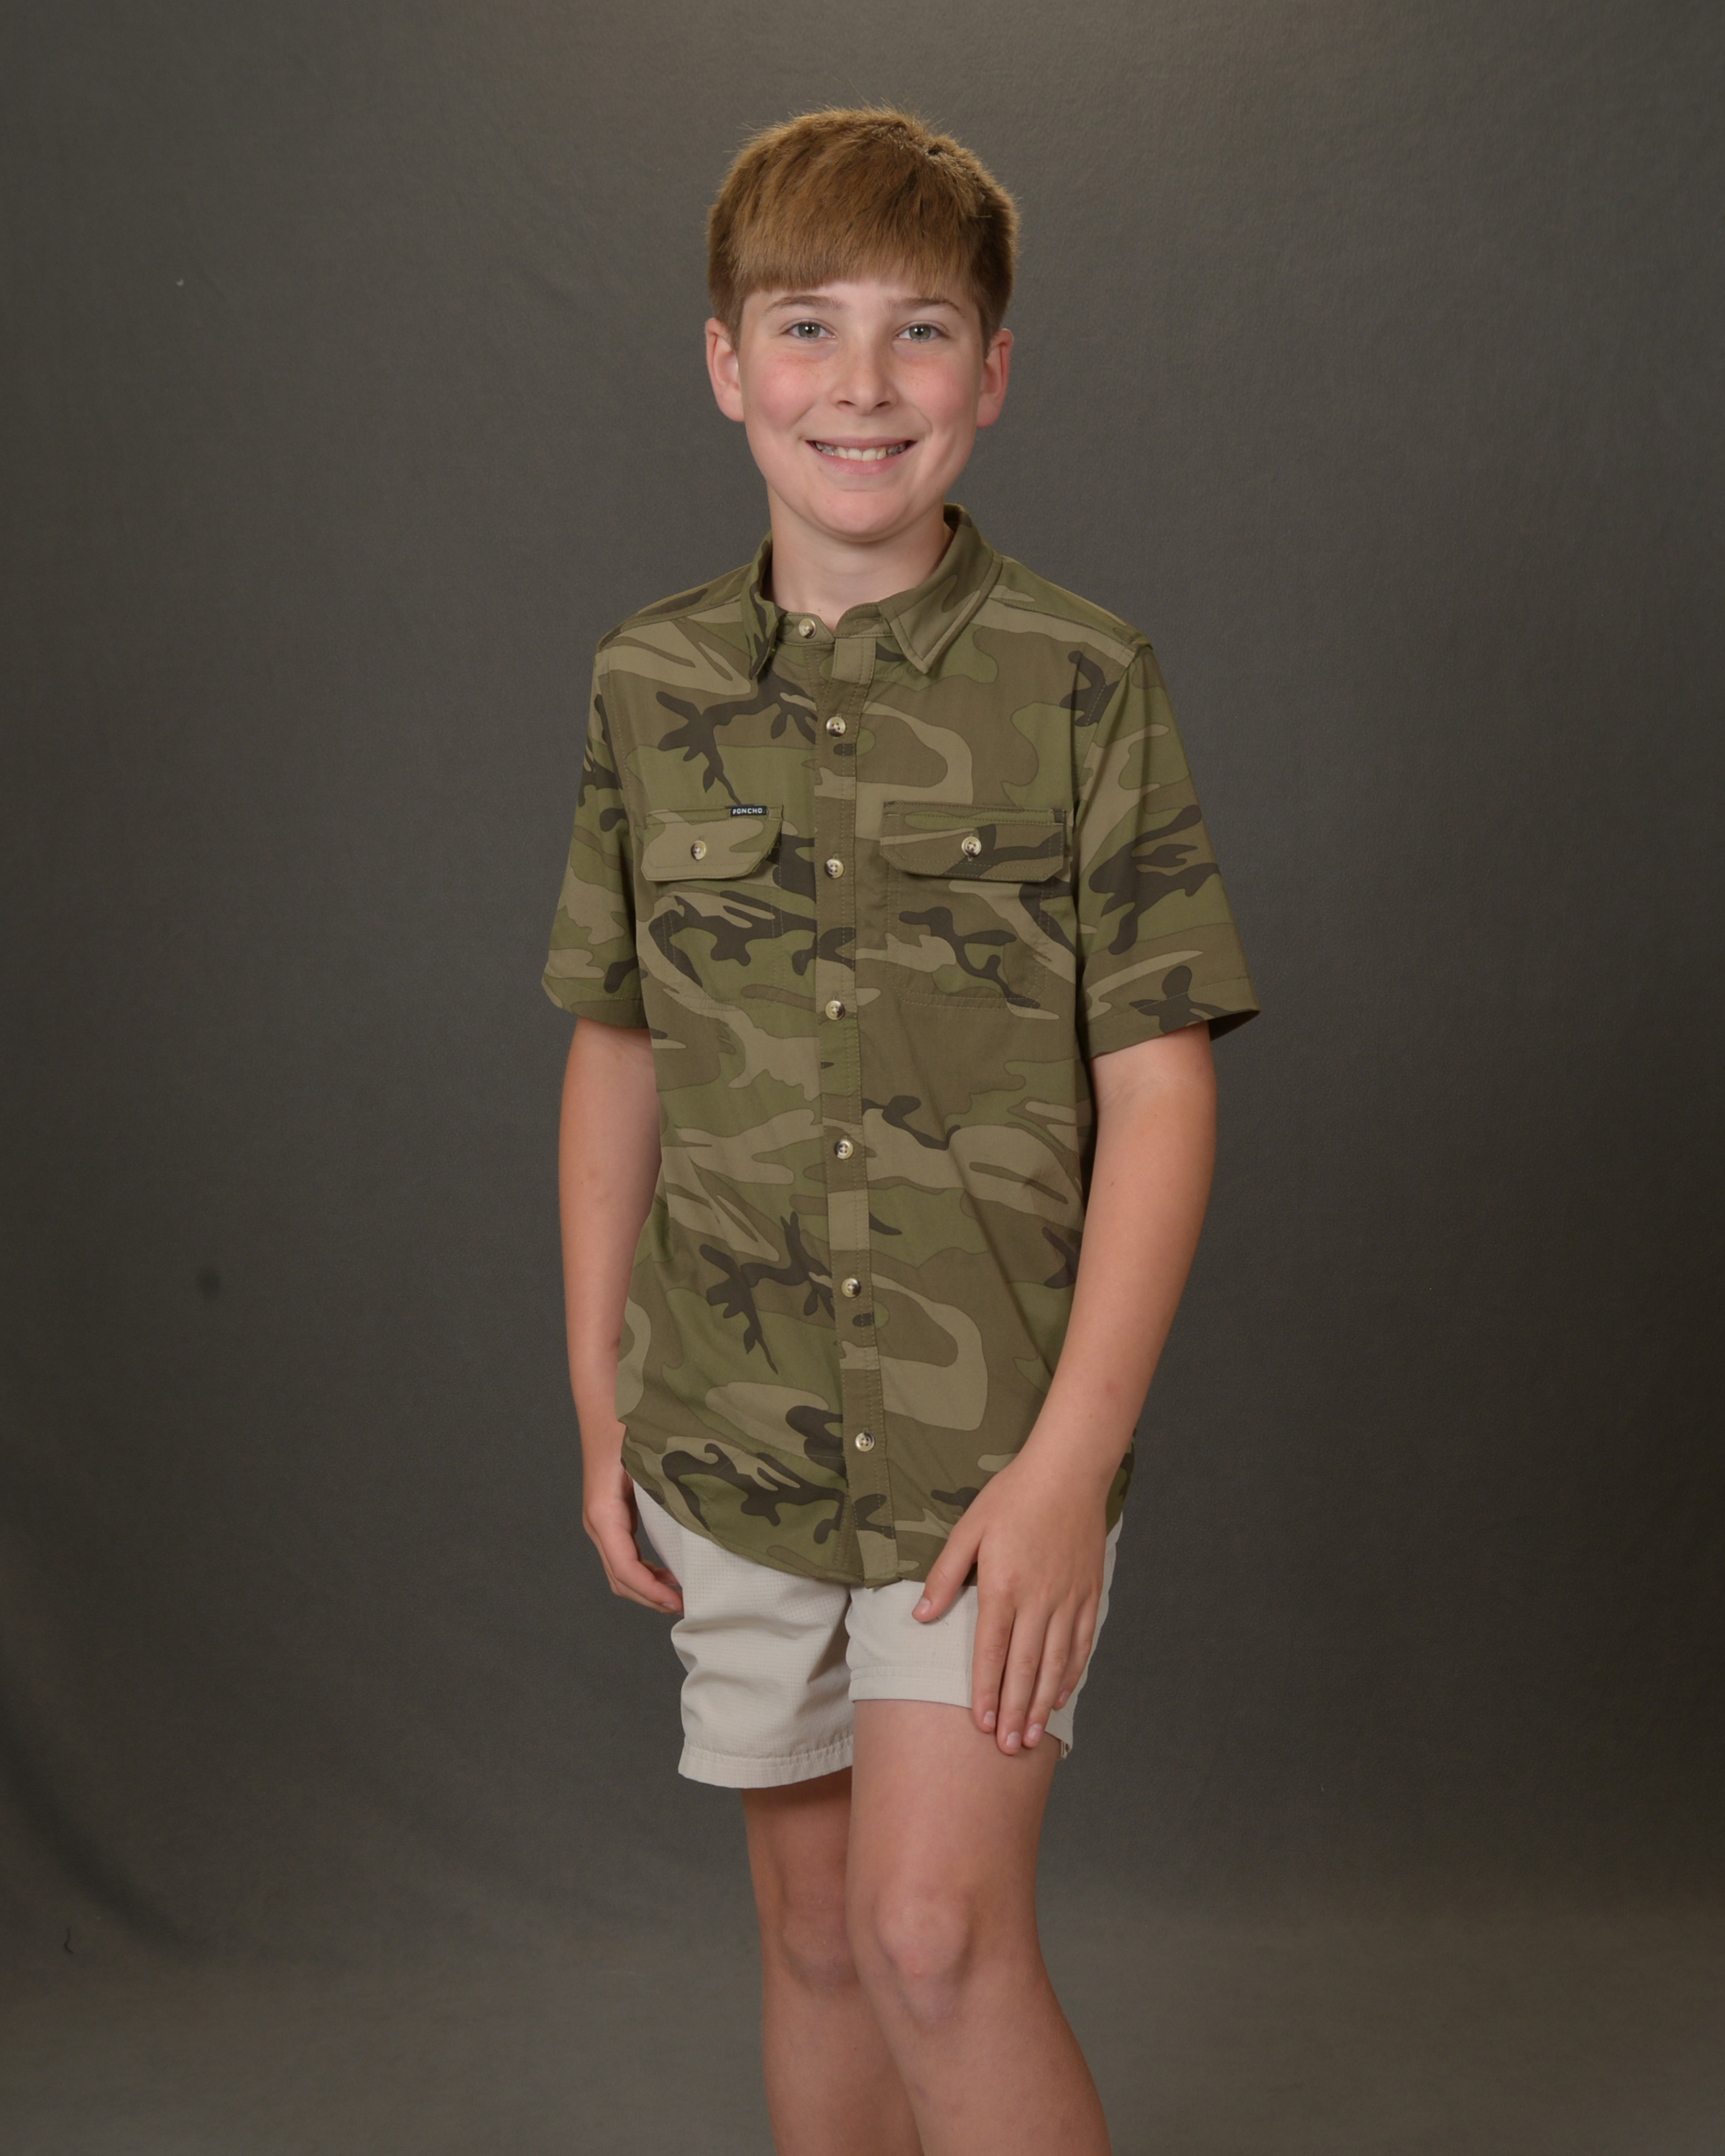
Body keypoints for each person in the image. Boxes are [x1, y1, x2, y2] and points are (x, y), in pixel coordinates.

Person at [546, 106, 1259, 2156]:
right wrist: (600, 1403)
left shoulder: (1085, 684)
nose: (861, 383)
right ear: (725, 364)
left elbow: (1163, 1084)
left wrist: (1074, 1464)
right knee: (820, 1939)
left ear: (993, 373)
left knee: (935, 1936)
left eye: (920, 330)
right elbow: (618, 1045)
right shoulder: (646, 683)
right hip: (731, 1432)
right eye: (806, 326)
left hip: (989, 1465)